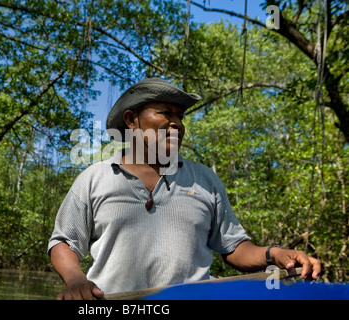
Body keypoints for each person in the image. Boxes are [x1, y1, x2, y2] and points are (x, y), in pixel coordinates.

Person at [48, 77, 321, 300]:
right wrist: (76, 281)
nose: (176, 123)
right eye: (165, 113)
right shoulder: (95, 178)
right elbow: (64, 241)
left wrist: (274, 254)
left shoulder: (205, 179)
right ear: (131, 120)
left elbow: (234, 247)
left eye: (180, 116)